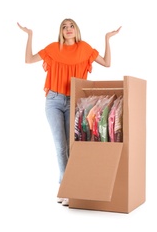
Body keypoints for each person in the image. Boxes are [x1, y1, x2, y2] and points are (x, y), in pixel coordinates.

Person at [17, 18, 121, 206]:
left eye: (71, 25)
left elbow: (106, 63)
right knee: (60, 146)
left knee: (71, 145)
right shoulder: (54, 48)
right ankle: (64, 187)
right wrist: (30, 35)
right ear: (61, 32)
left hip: (74, 100)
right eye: (64, 27)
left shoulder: (84, 48)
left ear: (76, 29)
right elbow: (28, 59)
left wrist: (107, 38)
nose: (68, 29)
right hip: (54, 101)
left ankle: (71, 187)